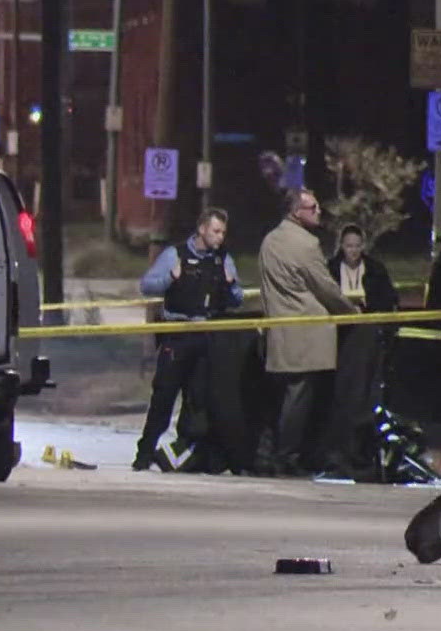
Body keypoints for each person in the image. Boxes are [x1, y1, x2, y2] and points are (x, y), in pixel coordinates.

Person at [134, 207, 243, 472]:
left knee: (200, 401)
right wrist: (171, 277)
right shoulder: (176, 254)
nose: (220, 237)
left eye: (223, 233)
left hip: (206, 336)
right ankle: (144, 454)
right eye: (216, 231)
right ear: (202, 229)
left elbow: (237, 298)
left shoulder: (223, 259)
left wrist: (230, 286)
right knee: (163, 397)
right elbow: (147, 285)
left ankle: (183, 454)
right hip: (178, 335)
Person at [258, 188, 356, 475]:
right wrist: (351, 312)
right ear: (295, 212)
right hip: (307, 333)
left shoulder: (269, 241)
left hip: (281, 331)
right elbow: (325, 287)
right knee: (299, 399)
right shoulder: (306, 244)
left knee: (285, 398)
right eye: (312, 208)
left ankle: (275, 453)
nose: (318, 212)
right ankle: (288, 457)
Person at [326, 224, 400, 472]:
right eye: (348, 246)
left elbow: (389, 301)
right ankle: (338, 450)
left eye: (357, 246)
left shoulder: (376, 270)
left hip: (368, 338)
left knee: (363, 394)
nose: (353, 251)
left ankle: (361, 450)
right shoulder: (330, 269)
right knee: (341, 393)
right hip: (339, 338)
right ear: (341, 246)